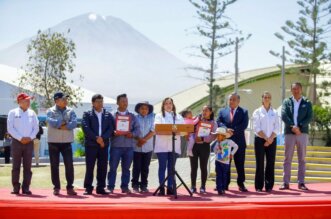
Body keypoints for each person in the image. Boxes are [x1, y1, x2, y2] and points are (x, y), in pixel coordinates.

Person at [280, 82, 313, 190]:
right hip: (289, 133)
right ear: (291, 90)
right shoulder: (286, 101)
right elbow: (284, 115)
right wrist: (292, 126)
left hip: (302, 133)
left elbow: (309, 117)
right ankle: (285, 182)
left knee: (302, 159)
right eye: (294, 89)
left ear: (301, 89)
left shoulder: (307, 102)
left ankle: (301, 182)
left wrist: (299, 126)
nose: (296, 90)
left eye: (298, 88)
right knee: (287, 158)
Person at [82, 94, 115, 195]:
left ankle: (100, 187)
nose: (100, 103)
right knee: (90, 167)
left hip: (103, 145)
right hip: (91, 144)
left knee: (103, 167)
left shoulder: (108, 115)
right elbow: (86, 128)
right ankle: (88, 188)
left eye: (101, 101)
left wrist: (103, 138)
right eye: (97, 101)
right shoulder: (87, 114)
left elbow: (111, 129)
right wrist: (97, 138)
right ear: (93, 103)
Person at [107, 94, 140, 194]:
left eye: (126, 101)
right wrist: (113, 132)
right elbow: (108, 129)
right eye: (122, 101)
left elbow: (138, 129)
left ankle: (125, 187)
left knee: (126, 168)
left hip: (129, 146)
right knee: (113, 168)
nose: (125, 103)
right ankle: (110, 187)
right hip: (116, 146)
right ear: (117, 102)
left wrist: (132, 134)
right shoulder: (112, 115)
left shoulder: (132, 116)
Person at [7, 93, 39, 194]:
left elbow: (36, 127)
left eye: (29, 100)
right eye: (26, 100)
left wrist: (30, 137)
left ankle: (26, 187)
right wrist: (20, 138)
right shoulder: (12, 112)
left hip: (29, 142)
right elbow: (10, 128)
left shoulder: (32, 113)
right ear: (20, 101)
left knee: (28, 166)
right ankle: (16, 187)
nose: (29, 102)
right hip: (16, 142)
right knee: (15, 166)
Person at [46, 91, 77, 196]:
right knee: (54, 166)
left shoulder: (71, 110)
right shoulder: (50, 110)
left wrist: (62, 125)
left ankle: (70, 187)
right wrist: (62, 123)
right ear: (56, 101)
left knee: (69, 165)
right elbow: (51, 121)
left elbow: (74, 123)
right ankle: (56, 187)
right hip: (53, 142)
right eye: (63, 99)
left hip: (67, 142)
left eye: (66, 99)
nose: (66, 101)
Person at [217, 92, 249, 192]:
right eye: (230, 99)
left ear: (238, 101)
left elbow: (244, 125)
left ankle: (241, 183)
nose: (231, 101)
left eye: (234, 99)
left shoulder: (244, 111)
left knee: (240, 164)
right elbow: (219, 122)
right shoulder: (222, 111)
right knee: (225, 164)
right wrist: (226, 129)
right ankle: (224, 184)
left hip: (239, 143)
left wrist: (232, 131)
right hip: (225, 142)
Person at [154, 97, 184, 196]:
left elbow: (183, 131)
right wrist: (172, 131)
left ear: (173, 105)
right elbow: (158, 129)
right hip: (161, 146)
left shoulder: (178, 117)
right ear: (163, 105)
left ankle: (170, 187)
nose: (168, 105)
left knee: (171, 168)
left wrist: (168, 131)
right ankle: (162, 188)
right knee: (162, 167)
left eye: (170, 103)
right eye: (166, 103)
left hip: (174, 146)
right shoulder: (159, 116)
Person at [252, 91, 279, 192]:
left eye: (269, 97)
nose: (267, 99)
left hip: (272, 140)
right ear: (262, 99)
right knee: (260, 163)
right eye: (265, 97)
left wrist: (270, 139)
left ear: (270, 99)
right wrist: (266, 138)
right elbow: (256, 128)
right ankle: (259, 186)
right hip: (260, 140)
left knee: (270, 163)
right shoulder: (257, 112)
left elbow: (277, 127)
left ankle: (269, 186)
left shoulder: (275, 112)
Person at [189, 105, 217, 193]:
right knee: (193, 167)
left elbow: (214, 135)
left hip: (205, 146)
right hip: (194, 145)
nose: (204, 112)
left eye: (206, 110)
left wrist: (203, 139)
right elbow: (189, 127)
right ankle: (193, 186)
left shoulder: (213, 123)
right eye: (203, 110)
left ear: (210, 112)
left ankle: (203, 186)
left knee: (203, 167)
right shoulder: (196, 120)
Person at [131, 101, 155, 193]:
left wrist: (143, 140)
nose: (144, 110)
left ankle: (144, 185)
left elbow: (153, 131)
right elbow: (132, 130)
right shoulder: (134, 118)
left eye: (146, 108)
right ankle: (135, 185)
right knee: (136, 167)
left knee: (145, 167)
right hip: (136, 146)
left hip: (147, 147)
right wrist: (139, 140)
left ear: (148, 110)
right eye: (142, 108)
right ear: (138, 109)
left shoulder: (152, 118)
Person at [211, 127, 238, 195]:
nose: (217, 137)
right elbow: (214, 150)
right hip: (218, 161)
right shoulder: (217, 143)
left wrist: (232, 153)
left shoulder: (229, 141)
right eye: (216, 135)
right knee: (218, 175)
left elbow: (236, 146)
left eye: (218, 135)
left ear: (223, 135)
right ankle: (219, 188)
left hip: (226, 162)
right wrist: (217, 149)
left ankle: (223, 188)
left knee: (224, 175)